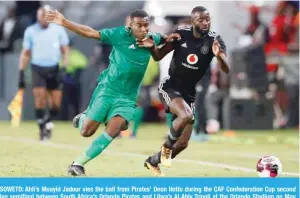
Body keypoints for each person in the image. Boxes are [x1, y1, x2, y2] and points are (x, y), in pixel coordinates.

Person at [45, 9, 177, 176]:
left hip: (128, 97)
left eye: (146, 26)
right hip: (108, 90)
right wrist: (65, 22)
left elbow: (163, 40)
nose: (143, 29)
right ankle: (83, 118)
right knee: (86, 131)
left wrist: (169, 38)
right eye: (139, 26)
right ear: (130, 26)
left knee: (115, 128)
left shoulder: (151, 38)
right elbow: (90, 32)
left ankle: (78, 164)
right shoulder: (119, 34)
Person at [138, 6, 230, 176]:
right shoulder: (181, 34)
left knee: (182, 143)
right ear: (193, 21)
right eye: (201, 20)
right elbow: (158, 56)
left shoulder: (214, 40)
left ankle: (152, 161)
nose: (205, 23)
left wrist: (219, 57)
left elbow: (225, 69)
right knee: (185, 116)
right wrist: (152, 48)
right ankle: (166, 147)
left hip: (189, 94)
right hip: (170, 87)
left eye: (207, 19)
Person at [18, 6, 69, 141]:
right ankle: (42, 129)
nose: (44, 20)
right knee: (40, 99)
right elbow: (26, 53)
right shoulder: (31, 31)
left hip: (54, 68)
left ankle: (47, 121)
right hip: (37, 68)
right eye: (41, 17)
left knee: (56, 104)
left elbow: (65, 50)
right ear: (38, 17)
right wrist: (21, 71)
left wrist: (64, 66)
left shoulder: (58, 30)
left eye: (46, 17)